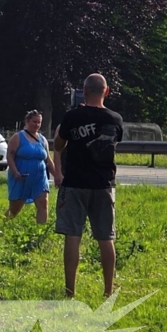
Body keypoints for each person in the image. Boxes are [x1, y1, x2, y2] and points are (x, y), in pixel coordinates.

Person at [53, 74, 123, 298]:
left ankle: (70, 290)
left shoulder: (73, 116)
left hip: (75, 182)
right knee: (106, 237)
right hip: (103, 184)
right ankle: (108, 290)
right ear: (107, 91)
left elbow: (59, 144)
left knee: (73, 235)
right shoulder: (115, 119)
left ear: (84, 90)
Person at [6, 109, 56, 224]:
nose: (37, 125)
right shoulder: (18, 137)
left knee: (43, 204)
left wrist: (57, 176)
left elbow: (48, 159)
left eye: (39, 122)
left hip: (39, 178)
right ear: (27, 121)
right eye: (34, 122)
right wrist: (15, 172)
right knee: (15, 209)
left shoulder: (43, 140)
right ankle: (2, 225)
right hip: (21, 177)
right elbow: (10, 156)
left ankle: (40, 231)